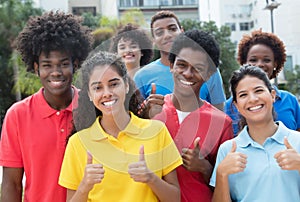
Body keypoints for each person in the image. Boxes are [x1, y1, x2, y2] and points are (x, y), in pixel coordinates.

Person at [58, 51, 182, 202]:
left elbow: (175, 198)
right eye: (98, 88)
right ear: (90, 95)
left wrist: (151, 178)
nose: (107, 93)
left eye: (114, 84)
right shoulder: (77, 143)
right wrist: (85, 186)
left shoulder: (157, 131)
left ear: (127, 85)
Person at [0, 11, 93, 201]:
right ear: (36, 68)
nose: (56, 72)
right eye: (47, 65)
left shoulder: (93, 106)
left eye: (64, 64)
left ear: (75, 64)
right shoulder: (17, 115)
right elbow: (12, 184)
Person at [152, 30, 233, 202]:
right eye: (182, 65)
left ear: (209, 74)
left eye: (198, 68)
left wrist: (204, 167)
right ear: (171, 65)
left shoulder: (221, 123)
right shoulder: (151, 112)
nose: (188, 73)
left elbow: (229, 185)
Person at [210, 65, 300, 202]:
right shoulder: (227, 150)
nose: (252, 99)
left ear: (272, 95)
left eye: (258, 90)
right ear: (236, 105)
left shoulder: (297, 141)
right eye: (243, 95)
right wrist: (221, 174)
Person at [133, 10, 226, 111]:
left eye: (172, 29)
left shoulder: (209, 71)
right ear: (153, 40)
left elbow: (219, 111)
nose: (167, 35)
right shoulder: (142, 76)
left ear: (182, 31)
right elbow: (135, 117)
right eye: (159, 32)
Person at [225, 29, 300, 135]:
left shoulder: (290, 100)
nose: (260, 64)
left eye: (267, 60)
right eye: (253, 60)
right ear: (244, 62)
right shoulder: (230, 106)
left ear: (275, 64)